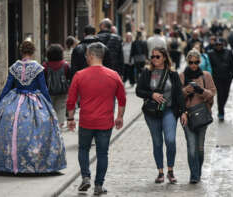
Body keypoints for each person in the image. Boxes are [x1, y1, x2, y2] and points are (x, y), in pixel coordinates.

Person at [0, 40, 67, 174]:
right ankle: (35, 162)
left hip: (14, 100)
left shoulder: (14, 67)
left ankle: (9, 163)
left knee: (11, 130)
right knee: (37, 130)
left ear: (21, 51)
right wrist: (49, 106)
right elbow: (43, 88)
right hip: (35, 101)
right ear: (33, 52)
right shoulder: (37, 67)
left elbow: (6, 88)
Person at [67, 42, 126, 195]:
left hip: (86, 121)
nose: (86, 57)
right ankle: (98, 185)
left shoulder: (79, 75)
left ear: (91, 56)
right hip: (105, 122)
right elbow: (122, 99)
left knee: (84, 149)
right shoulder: (114, 75)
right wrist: (119, 117)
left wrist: (71, 119)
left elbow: (71, 100)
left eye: (86, 55)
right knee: (102, 153)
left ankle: (85, 176)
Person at [136, 47, 187, 184]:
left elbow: (179, 94)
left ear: (164, 57)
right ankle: (160, 172)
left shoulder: (172, 73)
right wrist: (151, 94)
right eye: (152, 57)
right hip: (152, 112)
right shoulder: (147, 72)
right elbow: (138, 91)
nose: (154, 59)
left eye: (157, 56)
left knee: (170, 140)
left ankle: (170, 170)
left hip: (169, 110)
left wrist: (183, 111)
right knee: (157, 142)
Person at [179, 49, 216, 184]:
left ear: (200, 62)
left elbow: (212, 93)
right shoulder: (182, 76)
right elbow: (177, 97)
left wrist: (201, 91)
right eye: (191, 62)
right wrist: (186, 90)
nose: (194, 65)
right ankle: (194, 175)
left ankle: (198, 171)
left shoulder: (206, 75)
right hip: (187, 116)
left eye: (196, 62)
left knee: (200, 148)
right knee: (191, 147)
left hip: (202, 115)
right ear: (187, 62)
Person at [207, 38, 233, 121]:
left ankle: (221, 108)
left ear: (223, 45)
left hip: (227, 78)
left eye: (220, 45)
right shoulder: (211, 54)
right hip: (216, 78)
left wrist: (232, 75)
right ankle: (221, 112)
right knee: (220, 95)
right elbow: (208, 65)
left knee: (226, 94)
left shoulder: (228, 52)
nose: (218, 46)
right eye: (217, 45)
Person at [43, 44, 71, 128]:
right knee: (61, 107)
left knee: (50, 108)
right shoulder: (65, 65)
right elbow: (69, 77)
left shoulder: (45, 66)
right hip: (62, 91)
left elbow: (43, 79)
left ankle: (51, 124)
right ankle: (59, 124)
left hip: (49, 91)